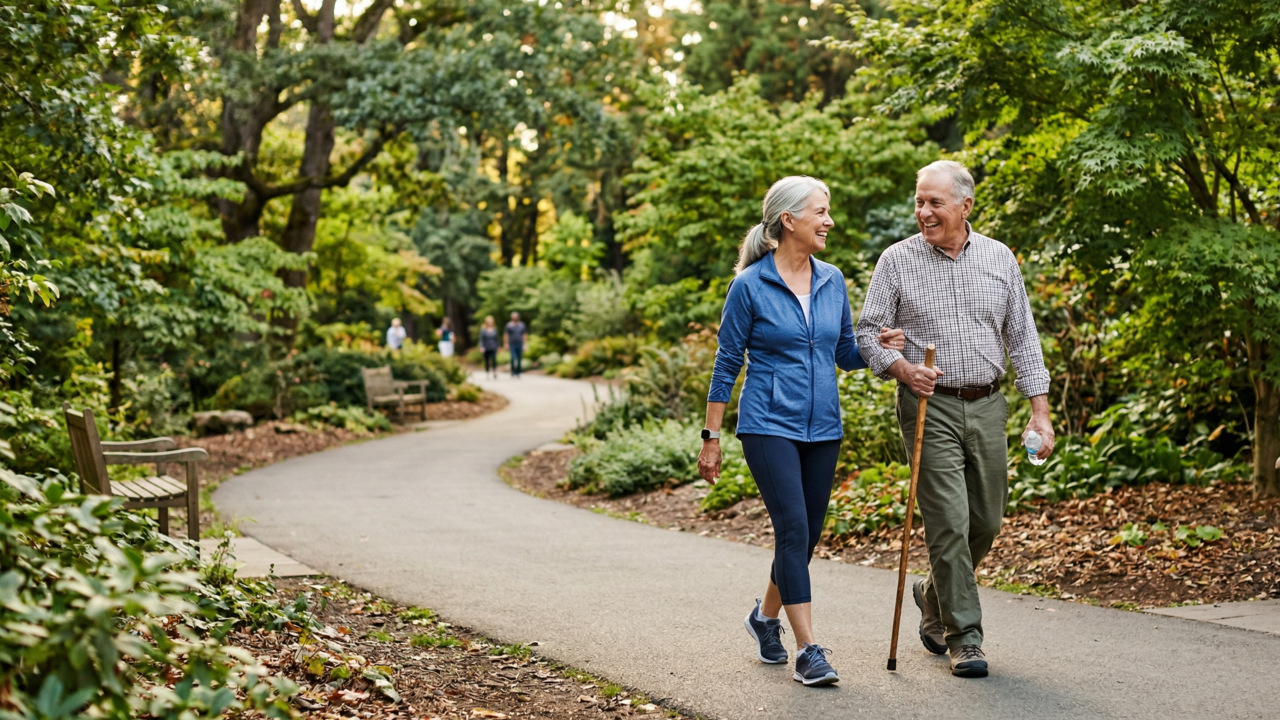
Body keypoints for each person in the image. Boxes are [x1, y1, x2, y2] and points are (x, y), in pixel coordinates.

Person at [698, 176, 906, 687]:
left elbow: (842, 353)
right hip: (768, 425)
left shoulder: (832, 279)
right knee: (792, 529)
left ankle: (764, 618)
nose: (829, 221)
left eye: (828, 211)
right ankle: (808, 649)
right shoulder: (750, 285)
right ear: (788, 221)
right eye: (820, 212)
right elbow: (727, 364)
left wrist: (879, 346)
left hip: (823, 426)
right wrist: (712, 436)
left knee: (807, 535)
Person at [855, 160, 1054, 679]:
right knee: (948, 522)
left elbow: (1023, 338)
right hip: (929, 405)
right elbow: (867, 332)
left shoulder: (999, 258)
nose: (923, 212)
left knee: (986, 521)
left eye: (934, 202)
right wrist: (898, 366)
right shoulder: (896, 260)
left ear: (965, 206)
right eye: (919, 201)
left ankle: (931, 592)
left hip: (988, 402)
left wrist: (1041, 412)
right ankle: (964, 637)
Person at [504, 312, 527, 378]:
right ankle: (513, 371)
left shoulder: (522, 325)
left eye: (515, 316)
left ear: (518, 317)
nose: (514, 318)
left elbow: (524, 334)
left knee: (519, 358)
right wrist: (506, 343)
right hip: (512, 344)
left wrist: (525, 344)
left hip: (520, 344)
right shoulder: (509, 325)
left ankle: (518, 372)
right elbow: (506, 335)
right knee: (513, 358)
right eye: (513, 317)